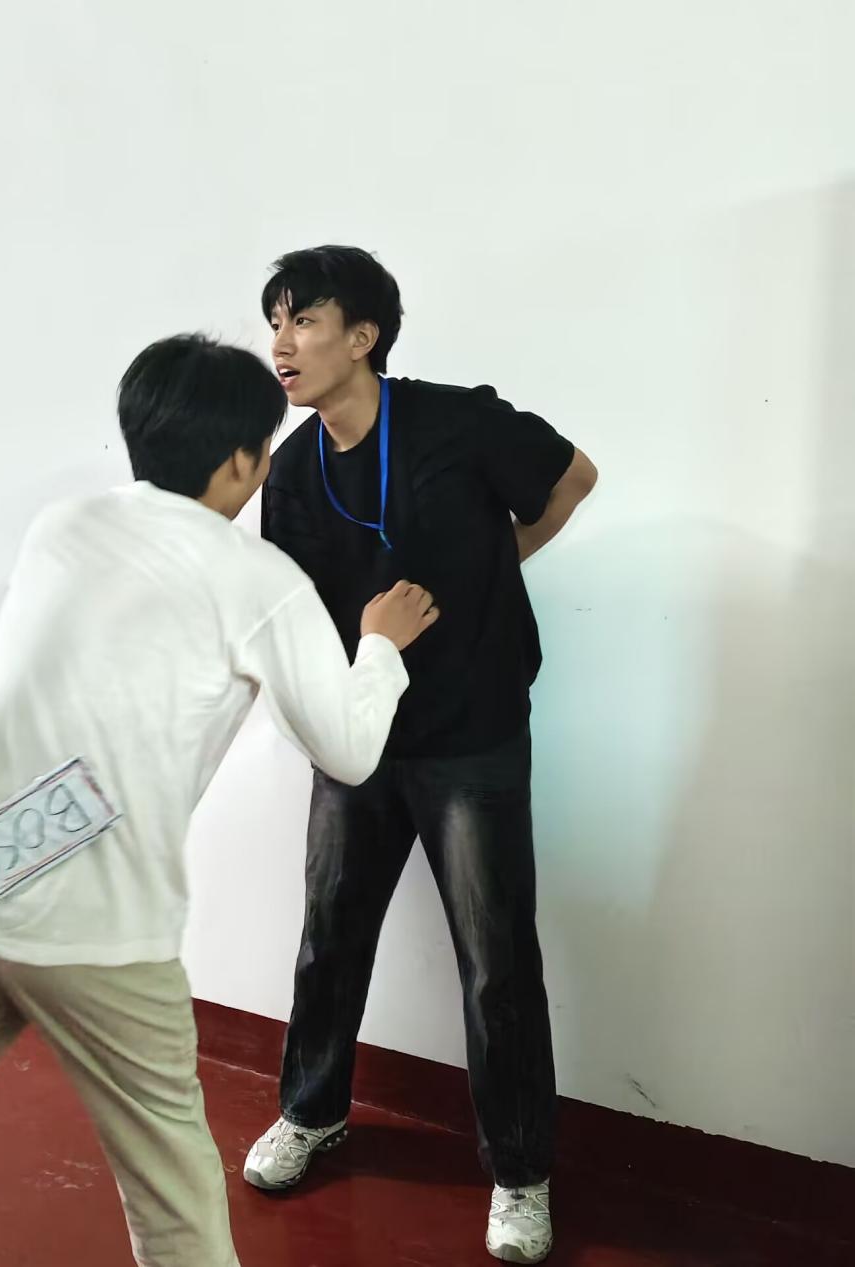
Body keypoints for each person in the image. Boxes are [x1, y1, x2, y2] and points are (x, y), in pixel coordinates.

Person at [0, 333, 439, 1267]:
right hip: (101, 926)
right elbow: (350, 752)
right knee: (173, 1193)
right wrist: (379, 646)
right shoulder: (259, 580)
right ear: (242, 460)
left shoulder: (61, 528)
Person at [243, 246, 598, 1265]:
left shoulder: (454, 421)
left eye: (304, 320)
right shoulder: (293, 468)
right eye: (274, 322)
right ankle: (312, 1111)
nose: (281, 343)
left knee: (495, 961)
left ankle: (519, 1170)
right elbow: (296, 614)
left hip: (470, 734)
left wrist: (495, 564)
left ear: (363, 336)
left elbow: (571, 478)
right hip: (358, 738)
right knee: (328, 936)